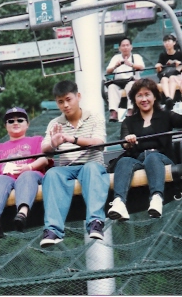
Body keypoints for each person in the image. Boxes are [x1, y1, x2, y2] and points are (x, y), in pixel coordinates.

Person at [107, 77, 182, 220]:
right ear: (134, 99)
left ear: (154, 97)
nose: (144, 99)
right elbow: (124, 142)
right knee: (124, 162)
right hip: (138, 159)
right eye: (139, 95)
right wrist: (129, 141)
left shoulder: (165, 115)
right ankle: (119, 202)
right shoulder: (129, 121)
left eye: (147, 94)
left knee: (152, 157)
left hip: (161, 158)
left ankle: (156, 197)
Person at [39, 80, 110, 248]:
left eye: (68, 99)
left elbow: (99, 143)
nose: (65, 105)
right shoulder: (55, 124)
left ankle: (95, 221)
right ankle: (53, 230)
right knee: (52, 174)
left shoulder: (94, 117)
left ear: (78, 97)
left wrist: (73, 139)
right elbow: (45, 149)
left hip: (91, 164)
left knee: (91, 168)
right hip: (67, 169)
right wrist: (54, 144)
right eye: (60, 101)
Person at [0, 107, 49, 237]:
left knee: (26, 176)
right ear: (6, 126)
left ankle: (22, 213)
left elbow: (44, 159)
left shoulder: (36, 140)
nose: (15, 123)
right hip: (7, 179)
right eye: (11, 121)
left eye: (20, 120)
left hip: (30, 175)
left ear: (27, 124)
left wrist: (29, 167)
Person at [105, 37, 145, 122]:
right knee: (111, 87)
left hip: (132, 81)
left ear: (131, 47)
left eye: (127, 45)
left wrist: (131, 65)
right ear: (119, 48)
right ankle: (113, 112)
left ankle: (130, 110)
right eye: (123, 45)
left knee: (131, 85)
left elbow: (142, 68)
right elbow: (108, 71)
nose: (125, 47)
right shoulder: (116, 57)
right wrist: (116, 66)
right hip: (119, 82)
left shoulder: (136, 57)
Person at [155, 34, 182, 110]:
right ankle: (168, 98)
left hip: (177, 75)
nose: (167, 43)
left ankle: (170, 99)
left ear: (174, 42)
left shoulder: (179, 54)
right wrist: (158, 66)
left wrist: (177, 64)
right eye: (165, 41)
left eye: (169, 41)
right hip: (166, 75)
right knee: (164, 79)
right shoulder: (162, 55)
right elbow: (159, 70)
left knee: (172, 78)